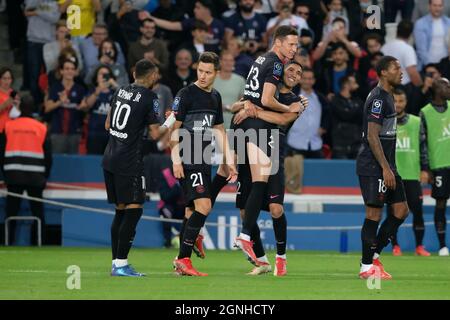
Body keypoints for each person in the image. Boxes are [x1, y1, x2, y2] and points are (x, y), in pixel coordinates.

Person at [232, 25, 300, 266]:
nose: (294, 49)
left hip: (242, 123)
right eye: (291, 44)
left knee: (254, 182)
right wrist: (288, 108)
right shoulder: (276, 63)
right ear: (278, 42)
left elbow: (251, 98)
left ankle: (247, 239)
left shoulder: (260, 58)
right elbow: (267, 99)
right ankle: (244, 236)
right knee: (260, 180)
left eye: (296, 45)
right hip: (256, 127)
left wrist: (246, 106)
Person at [170, 52, 237, 276]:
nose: (203, 76)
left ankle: (181, 260)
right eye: (200, 71)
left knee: (192, 210)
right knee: (204, 206)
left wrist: (228, 157)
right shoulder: (186, 93)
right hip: (187, 154)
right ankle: (183, 258)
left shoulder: (215, 97)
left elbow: (218, 129)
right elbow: (174, 128)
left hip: (204, 155)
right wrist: (176, 159)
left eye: (208, 72)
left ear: (217, 73)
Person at [103, 59, 169, 277]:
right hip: (129, 160)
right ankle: (121, 265)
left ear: (133, 73)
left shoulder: (121, 90)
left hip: (110, 158)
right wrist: (172, 121)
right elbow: (155, 133)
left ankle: (116, 263)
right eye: (155, 75)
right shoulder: (152, 97)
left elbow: (108, 124)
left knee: (121, 210)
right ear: (151, 77)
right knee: (135, 209)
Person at [356, 56, 409, 280]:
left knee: (401, 210)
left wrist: (390, 168)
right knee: (374, 214)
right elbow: (372, 135)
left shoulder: (387, 96)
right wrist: (386, 169)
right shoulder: (378, 98)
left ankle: (374, 254)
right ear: (383, 73)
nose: (401, 71)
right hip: (374, 166)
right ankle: (366, 267)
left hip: (387, 165)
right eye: (396, 68)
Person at [0, 94, 52, 245]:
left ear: (20, 107)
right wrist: (45, 176)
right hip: (35, 176)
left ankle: (8, 242)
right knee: (38, 212)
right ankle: (39, 243)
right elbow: (48, 157)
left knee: (11, 212)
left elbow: (1, 153)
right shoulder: (41, 127)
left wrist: (5, 173)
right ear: (34, 108)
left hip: (13, 175)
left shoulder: (9, 126)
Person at [388, 88, 431, 257]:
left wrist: (425, 170)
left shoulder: (415, 121)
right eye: (395, 101)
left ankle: (419, 246)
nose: (398, 104)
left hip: (412, 175)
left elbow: (423, 148)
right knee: (392, 213)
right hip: (392, 175)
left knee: (417, 211)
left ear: (405, 102)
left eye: (401, 101)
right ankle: (395, 245)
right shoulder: (384, 122)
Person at [419, 77, 450, 256]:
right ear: (436, 88)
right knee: (441, 204)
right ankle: (442, 245)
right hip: (439, 165)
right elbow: (423, 143)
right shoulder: (425, 112)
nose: (449, 87)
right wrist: (426, 168)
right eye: (445, 85)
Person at [44, 59, 87, 154]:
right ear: (61, 71)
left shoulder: (80, 89)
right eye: (67, 68)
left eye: (72, 69)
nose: (70, 71)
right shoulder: (55, 87)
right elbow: (47, 108)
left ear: (75, 72)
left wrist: (83, 107)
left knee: (74, 163)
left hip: (75, 132)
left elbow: (85, 108)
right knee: (57, 162)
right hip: (57, 131)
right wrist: (60, 102)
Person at [82, 65, 118, 155]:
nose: (104, 76)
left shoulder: (115, 93)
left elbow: (128, 103)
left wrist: (115, 85)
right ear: (96, 77)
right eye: (101, 74)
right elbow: (88, 105)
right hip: (94, 133)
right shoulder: (92, 91)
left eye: (106, 74)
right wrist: (98, 91)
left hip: (110, 135)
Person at [330, 74, 363, 159]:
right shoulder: (335, 100)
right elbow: (346, 116)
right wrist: (356, 111)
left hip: (356, 144)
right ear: (346, 85)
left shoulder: (357, 100)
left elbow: (362, 117)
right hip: (340, 145)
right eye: (354, 83)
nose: (357, 85)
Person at [381, 20, 422, 87]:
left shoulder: (384, 47)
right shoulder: (408, 49)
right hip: (403, 88)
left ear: (397, 31)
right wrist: (421, 88)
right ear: (410, 34)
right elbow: (412, 72)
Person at [413, 0, 450, 70]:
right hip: (428, 64)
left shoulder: (448, 22)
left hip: (445, 64)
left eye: (440, 6)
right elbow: (421, 49)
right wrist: (429, 65)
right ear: (429, 6)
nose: (437, 8)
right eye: (435, 5)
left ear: (443, 7)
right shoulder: (420, 23)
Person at [0, 67, 20, 133]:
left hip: (11, 128)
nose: (7, 81)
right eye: (4, 78)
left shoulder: (14, 93)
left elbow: (16, 113)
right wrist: (8, 102)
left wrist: (17, 106)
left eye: (9, 78)